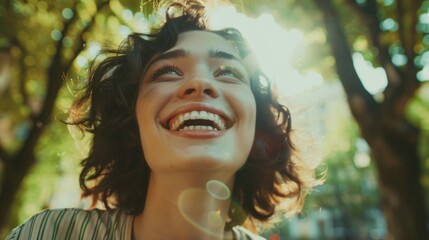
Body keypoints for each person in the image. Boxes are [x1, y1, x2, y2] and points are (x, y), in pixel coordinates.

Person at [7, 0, 316, 239]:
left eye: (228, 73)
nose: (199, 83)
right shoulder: (49, 234)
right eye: (167, 71)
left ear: (257, 128)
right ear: (132, 124)